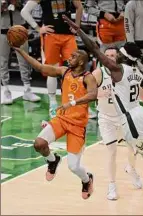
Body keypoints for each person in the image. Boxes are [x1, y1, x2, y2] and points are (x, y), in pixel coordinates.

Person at [63, 16, 143, 175]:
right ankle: (131, 169)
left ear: (122, 56)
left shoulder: (118, 71)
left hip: (129, 117)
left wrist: (79, 30)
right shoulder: (139, 71)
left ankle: (132, 168)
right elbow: (140, 90)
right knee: (141, 149)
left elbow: (94, 49)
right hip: (140, 113)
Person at [13, 46, 98, 199]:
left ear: (80, 62)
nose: (68, 58)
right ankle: (53, 161)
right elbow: (39, 67)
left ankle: (87, 179)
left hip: (77, 125)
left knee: (73, 166)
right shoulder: (64, 71)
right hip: (61, 119)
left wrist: (72, 104)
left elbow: (93, 95)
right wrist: (21, 51)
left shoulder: (88, 77)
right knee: (39, 143)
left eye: (73, 57)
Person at [92, 46, 143, 200]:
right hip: (106, 118)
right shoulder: (98, 74)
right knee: (111, 151)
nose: (110, 57)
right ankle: (112, 186)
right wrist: (97, 93)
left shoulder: (126, 72)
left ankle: (131, 169)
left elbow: (139, 89)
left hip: (124, 118)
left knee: (135, 148)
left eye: (113, 55)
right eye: (107, 55)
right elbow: (84, 91)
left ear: (118, 56)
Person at [21, 0, 83, 118]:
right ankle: (53, 103)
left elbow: (79, 7)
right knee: (52, 69)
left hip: (68, 36)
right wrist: (38, 28)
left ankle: (77, 103)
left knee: (76, 69)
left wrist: (77, 25)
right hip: (50, 36)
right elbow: (24, 12)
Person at [1, 0, 40, 104]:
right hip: (2, 31)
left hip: (20, 31)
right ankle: (6, 90)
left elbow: (27, 8)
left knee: (24, 60)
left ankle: (27, 89)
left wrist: (17, 3)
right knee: (2, 61)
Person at [124, 0, 143, 88]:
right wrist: (131, 43)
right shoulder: (131, 4)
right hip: (137, 45)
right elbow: (128, 24)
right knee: (135, 75)